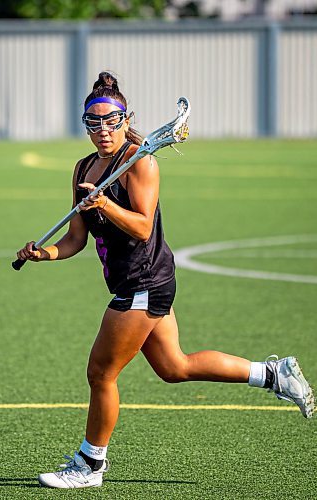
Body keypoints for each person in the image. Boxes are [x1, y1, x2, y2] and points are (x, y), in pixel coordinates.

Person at [17, 71, 314, 489]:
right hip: (133, 280)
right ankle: (273, 374)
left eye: (111, 121)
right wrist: (43, 253)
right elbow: (76, 239)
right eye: (93, 122)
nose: (103, 130)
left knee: (101, 374)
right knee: (175, 367)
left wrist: (104, 202)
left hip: (145, 281)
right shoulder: (84, 167)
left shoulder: (141, 163)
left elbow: (140, 226)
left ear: (126, 118)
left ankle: (90, 466)